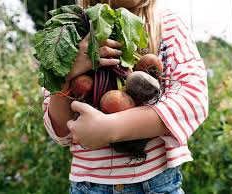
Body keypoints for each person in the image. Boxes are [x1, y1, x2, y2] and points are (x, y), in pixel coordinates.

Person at [42, 0, 208, 193]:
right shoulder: (74, 33)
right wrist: (66, 71)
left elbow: (193, 99)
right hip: (88, 187)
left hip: (157, 185)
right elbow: (61, 132)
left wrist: (113, 128)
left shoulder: (166, 23)